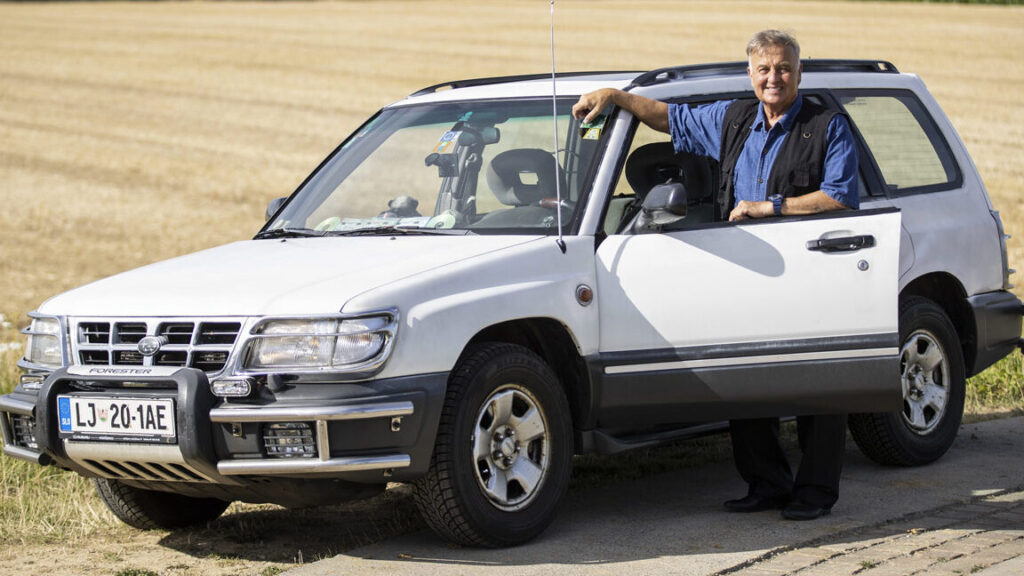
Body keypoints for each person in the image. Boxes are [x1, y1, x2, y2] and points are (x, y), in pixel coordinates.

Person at [572, 29, 858, 521]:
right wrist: (617, 97)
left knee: (817, 384)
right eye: (764, 69)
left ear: (798, 72)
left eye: (783, 68)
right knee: (746, 378)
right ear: (750, 74)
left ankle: (815, 492)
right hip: (744, 270)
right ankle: (766, 484)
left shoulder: (827, 125)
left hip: (810, 271)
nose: (774, 78)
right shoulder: (733, 119)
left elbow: (840, 196)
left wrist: (772, 208)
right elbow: (668, 117)